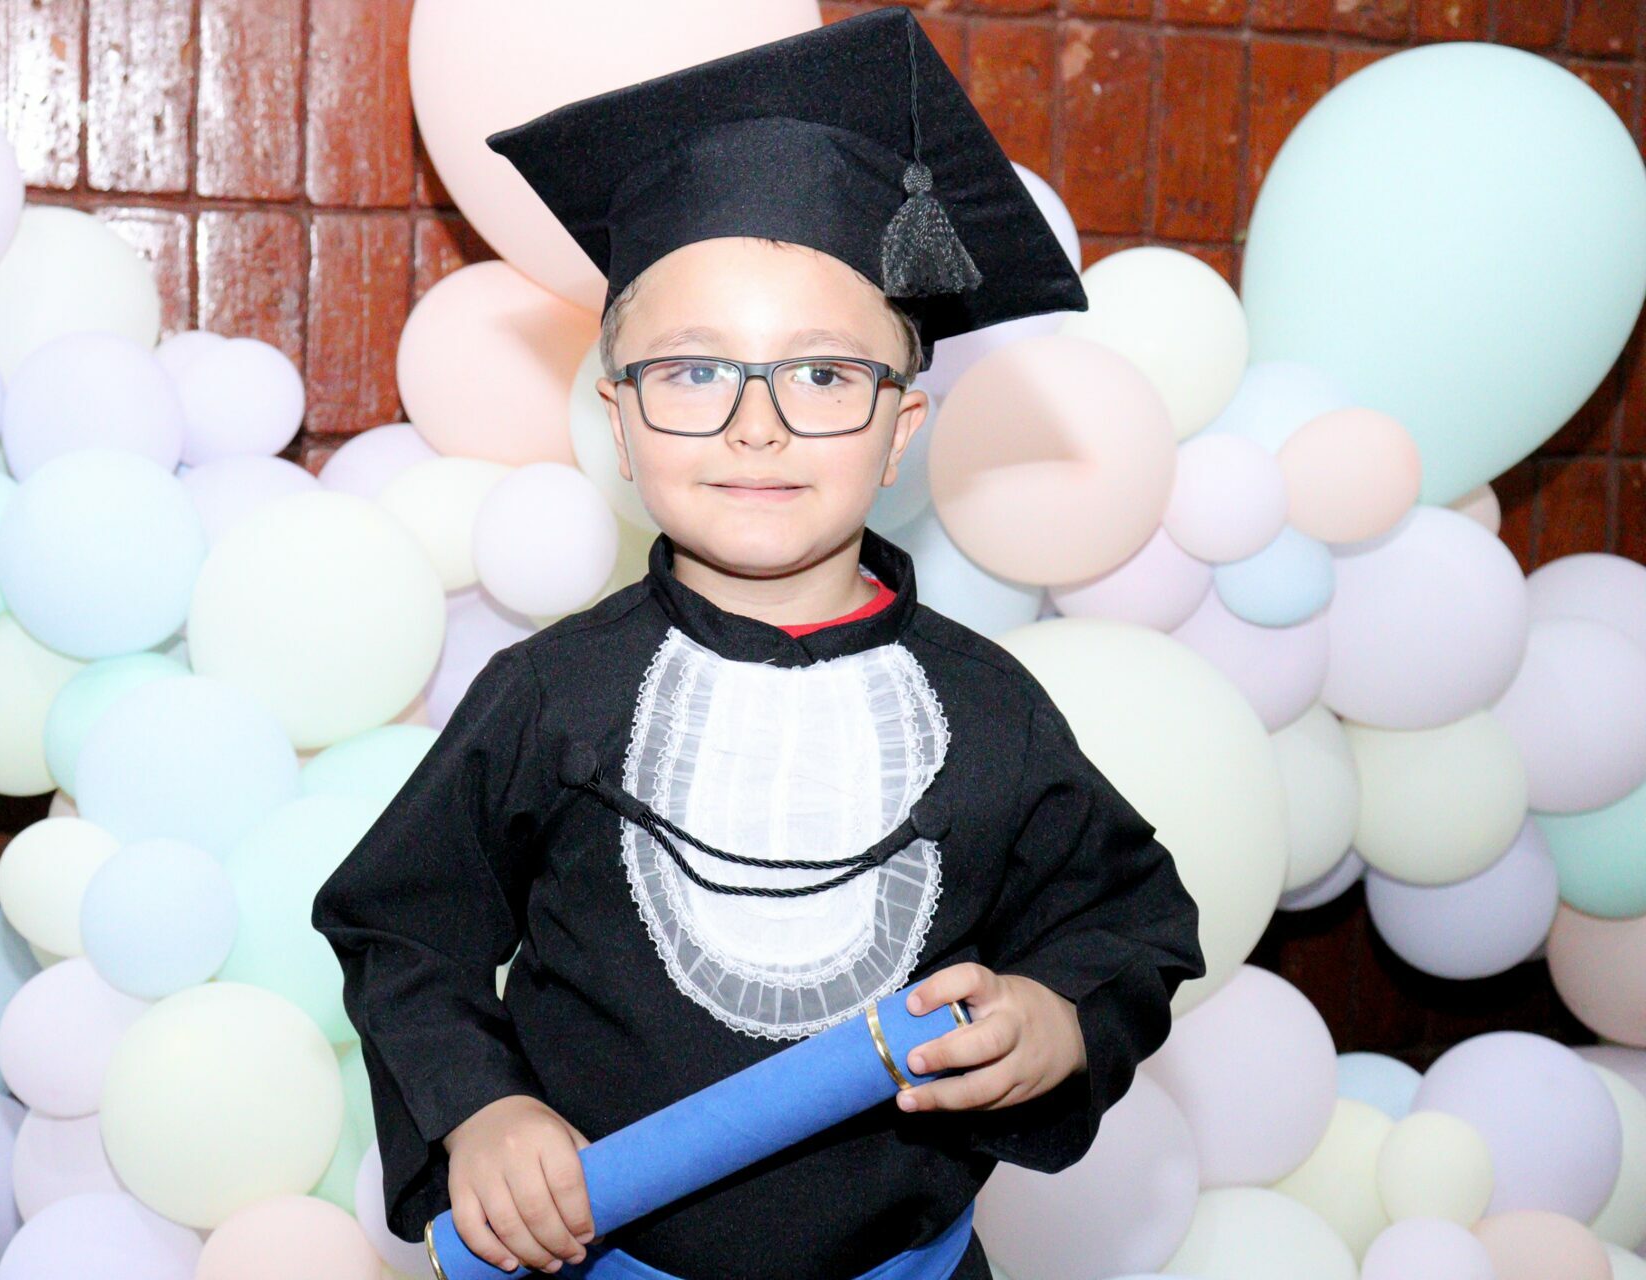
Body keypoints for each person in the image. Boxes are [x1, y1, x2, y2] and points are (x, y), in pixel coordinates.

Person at [310, 8, 1206, 1279]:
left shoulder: (991, 708)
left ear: (901, 431)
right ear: (618, 420)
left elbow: (1129, 915)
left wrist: (1055, 1017)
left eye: (825, 375)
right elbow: (404, 928)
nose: (757, 426)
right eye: (692, 372)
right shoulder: (551, 694)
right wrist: (481, 1106)